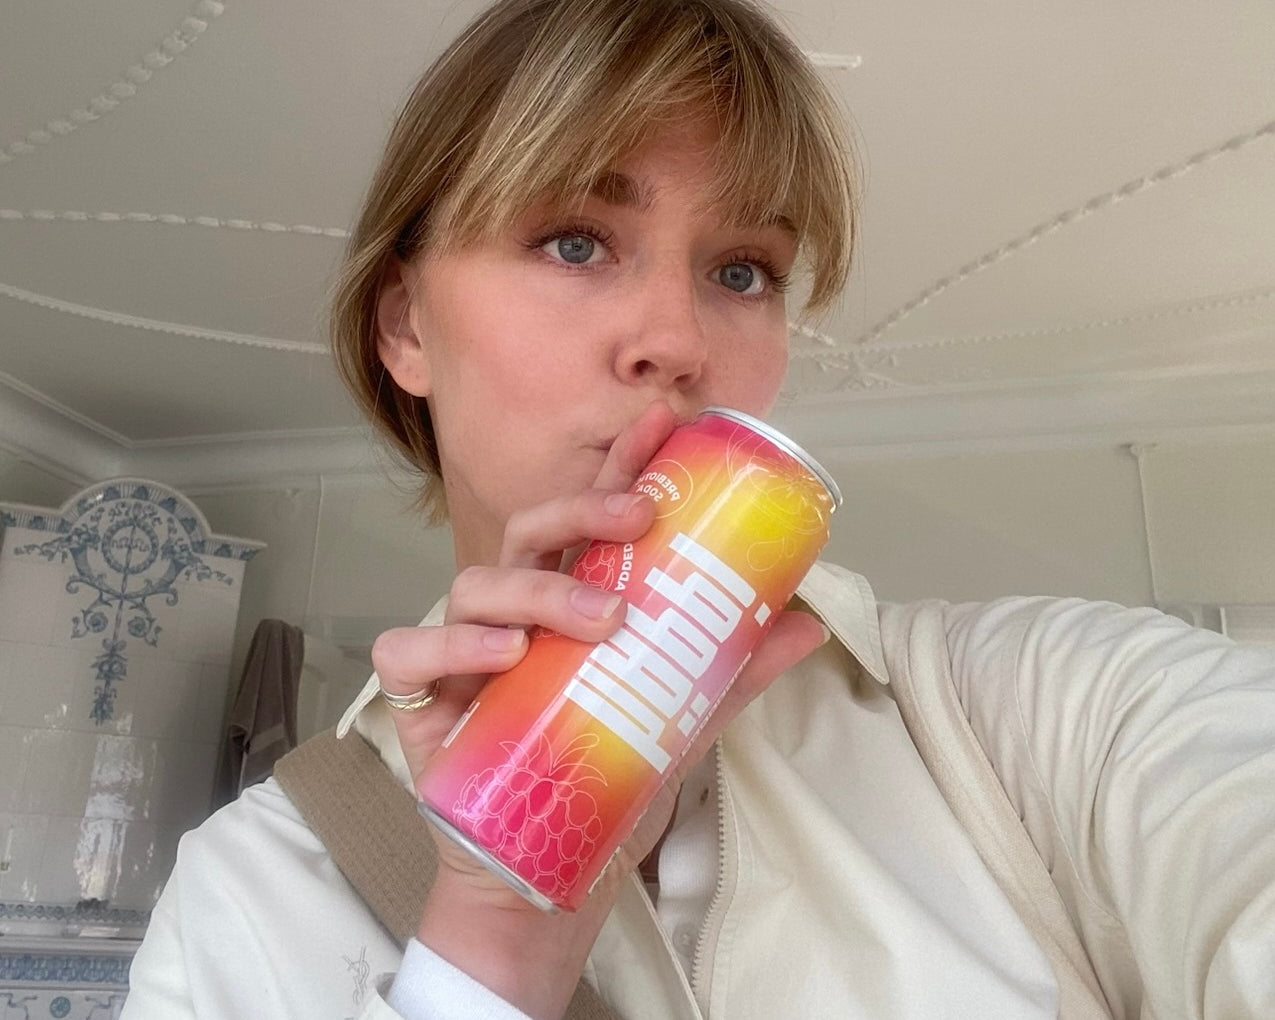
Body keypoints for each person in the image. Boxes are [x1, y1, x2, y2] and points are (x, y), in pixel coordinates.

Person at [122, 0, 1275, 1017]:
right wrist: (488, 964)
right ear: (407, 330)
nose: (677, 343)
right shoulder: (255, 888)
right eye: (575, 241)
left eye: (742, 271)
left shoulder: (1045, 720)